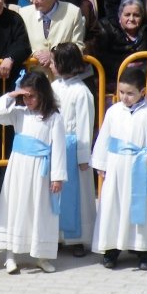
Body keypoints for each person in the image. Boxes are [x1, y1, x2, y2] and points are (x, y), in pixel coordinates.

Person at [91, 67, 147, 271]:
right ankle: (111, 250)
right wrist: (101, 163)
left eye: (130, 93)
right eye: (121, 92)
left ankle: (144, 251)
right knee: (113, 207)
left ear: (143, 91)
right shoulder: (113, 111)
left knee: (140, 207)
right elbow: (104, 137)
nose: (125, 97)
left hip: (140, 166)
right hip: (117, 166)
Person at [0, 71, 67, 274]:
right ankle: (10, 256)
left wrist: (57, 176)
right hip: (19, 169)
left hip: (41, 172)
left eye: (32, 96)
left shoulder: (53, 118)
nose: (28, 100)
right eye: (25, 96)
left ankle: (42, 256)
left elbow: (59, 147)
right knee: (14, 208)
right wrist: (12, 95)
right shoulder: (19, 113)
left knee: (40, 210)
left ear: (43, 94)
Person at [49, 43, 96, 258]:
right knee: (57, 194)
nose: (50, 65)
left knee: (77, 195)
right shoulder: (54, 87)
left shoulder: (82, 92)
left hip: (75, 149)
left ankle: (78, 238)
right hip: (56, 147)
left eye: (53, 61)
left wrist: (83, 156)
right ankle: (58, 235)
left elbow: (85, 125)